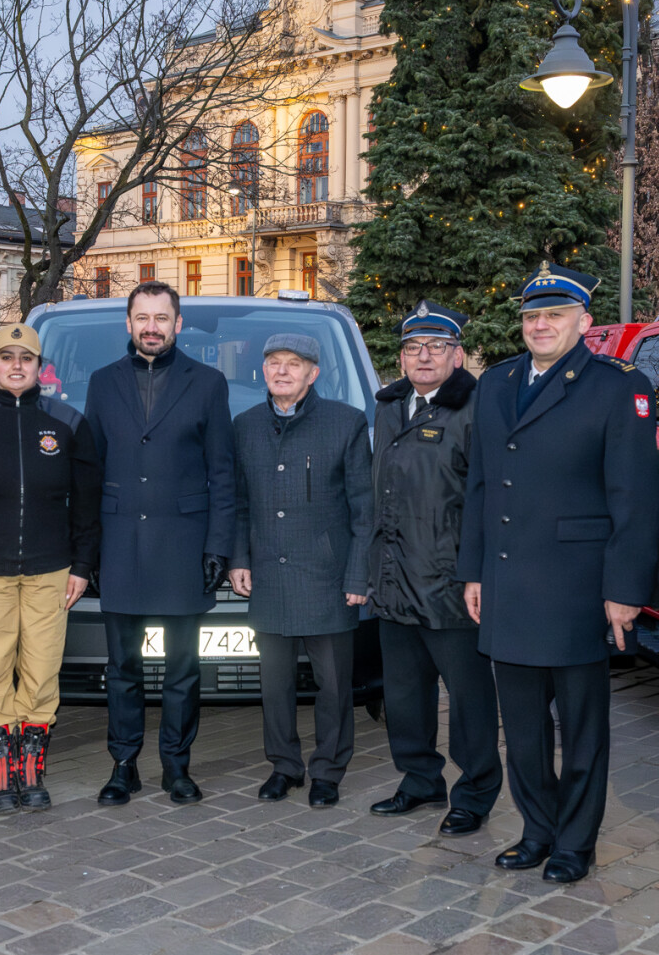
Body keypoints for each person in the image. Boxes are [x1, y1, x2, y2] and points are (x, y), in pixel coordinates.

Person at [460, 265, 659, 884]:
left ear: (584, 323)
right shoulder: (495, 384)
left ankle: (576, 841)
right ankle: (536, 830)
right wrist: (472, 571)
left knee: (581, 730)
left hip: (578, 586)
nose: (540, 325)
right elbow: (480, 485)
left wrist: (625, 591)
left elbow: (636, 497)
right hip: (508, 583)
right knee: (520, 728)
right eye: (530, 316)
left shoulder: (616, 386)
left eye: (553, 315)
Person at [84, 280, 235, 806]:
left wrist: (218, 546)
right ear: (128, 324)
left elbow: (222, 472)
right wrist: (91, 551)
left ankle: (176, 766)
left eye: (162, 318)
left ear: (178, 324)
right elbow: (91, 471)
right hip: (121, 547)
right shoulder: (103, 384)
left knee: (182, 669)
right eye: (142, 317)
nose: (152, 327)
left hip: (183, 548)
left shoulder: (209, 383)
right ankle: (123, 765)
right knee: (122, 670)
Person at [0, 323, 100, 814]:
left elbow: (88, 505)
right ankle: (1, 776)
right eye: (6, 357)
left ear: (39, 367)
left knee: (40, 668)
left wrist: (83, 566)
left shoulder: (68, 422)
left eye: (25, 358)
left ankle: (32, 771)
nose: (16, 365)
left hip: (51, 570)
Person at [366, 302, 502, 837]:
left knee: (469, 698)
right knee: (403, 694)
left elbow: (488, 497)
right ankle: (420, 779)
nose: (424, 357)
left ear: (458, 353)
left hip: (450, 582)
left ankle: (475, 791)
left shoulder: (475, 407)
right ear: (400, 358)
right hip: (394, 579)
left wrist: (477, 573)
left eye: (436, 347)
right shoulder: (389, 407)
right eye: (413, 348)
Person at [230, 334, 371, 808]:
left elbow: (363, 510)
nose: (283, 371)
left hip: (327, 577)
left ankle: (328, 771)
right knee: (275, 684)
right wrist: (239, 559)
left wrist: (357, 576)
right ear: (263, 371)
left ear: (313, 373)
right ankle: (284, 766)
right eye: (274, 363)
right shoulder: (245, 425)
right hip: (268, 573)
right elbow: (240, 502)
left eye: (294, 364)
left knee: (333, 685)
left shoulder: (345, 423)